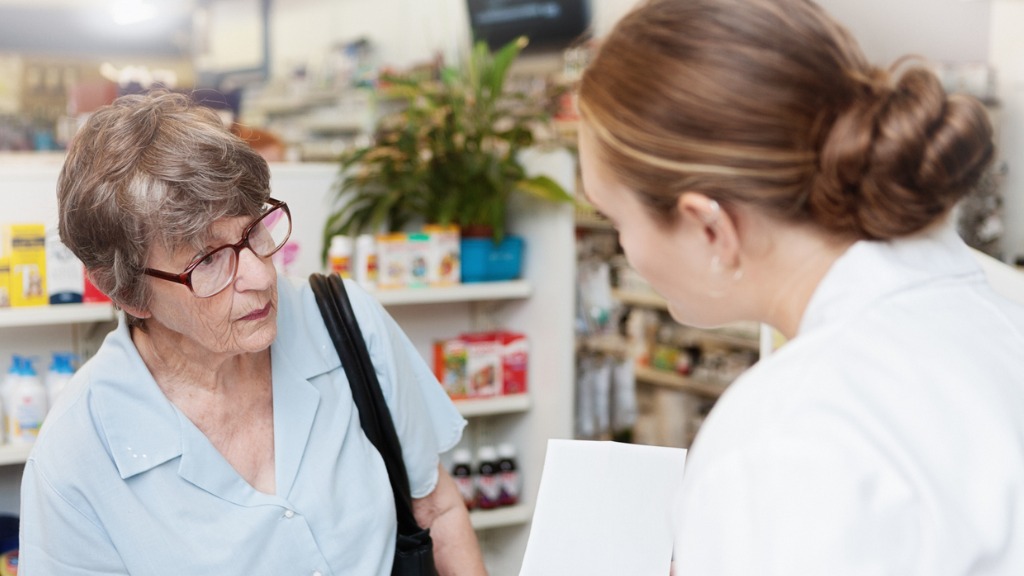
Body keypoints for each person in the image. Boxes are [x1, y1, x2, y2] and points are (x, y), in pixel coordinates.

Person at [577, 0, 1024, 573]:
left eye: (617, 220)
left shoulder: (782, 436)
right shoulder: (1000, 321)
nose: (625, 250)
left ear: (708, 227)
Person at [19, 91, 487, 576]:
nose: (262, 277)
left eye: (254, 232)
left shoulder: (344, 322)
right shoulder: (75, 459)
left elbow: (437, 511)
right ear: (130, 293)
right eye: (208, 260)